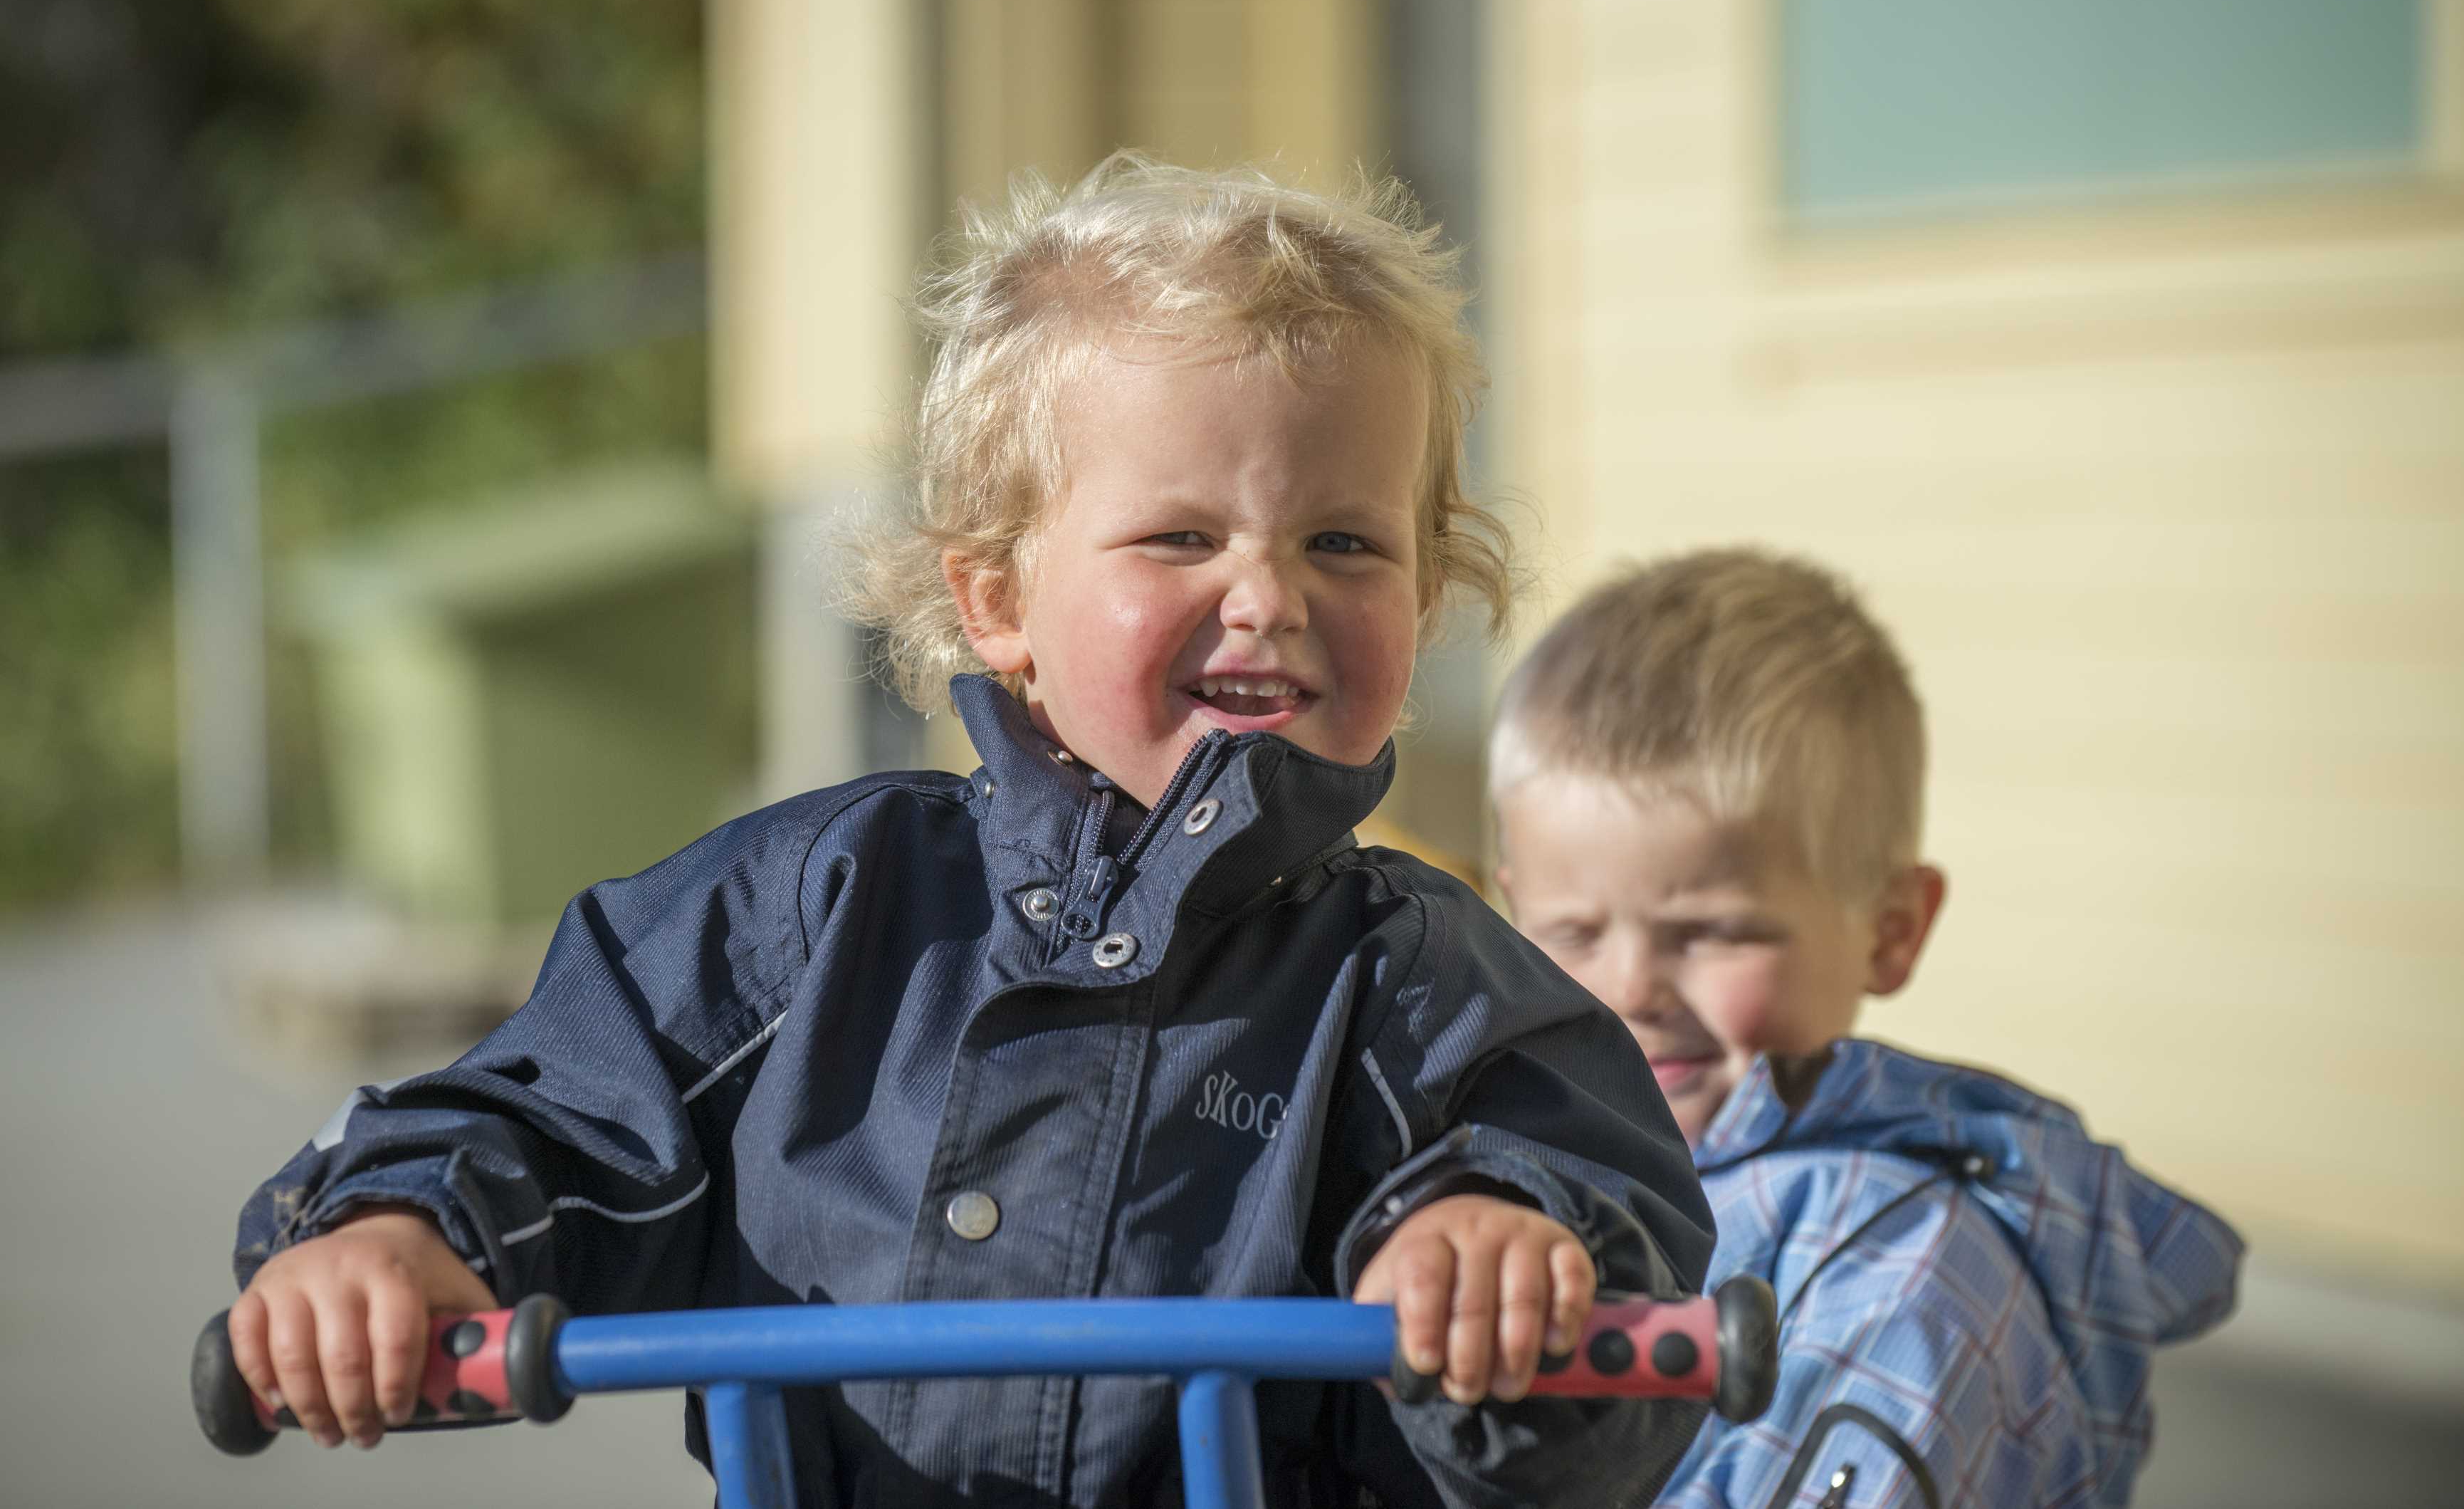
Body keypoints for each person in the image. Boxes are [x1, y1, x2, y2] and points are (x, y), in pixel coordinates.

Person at [224, 157, 1716, 1508]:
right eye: (1181, 538)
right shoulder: (817, 909)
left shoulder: (1425, 983)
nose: (1268, 595)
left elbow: (1614, 1260)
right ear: (1000, 601)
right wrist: (399, 1234)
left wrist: (1508, 1242)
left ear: (1427, 598)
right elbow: (557, 1108)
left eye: (1345, 541)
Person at [1488, 549, 2243, 1508]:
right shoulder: (1543, 1181)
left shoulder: (1905, 1281)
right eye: (1573, 932)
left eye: (1715, 931)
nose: (1628, 989)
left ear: (1889, 930)